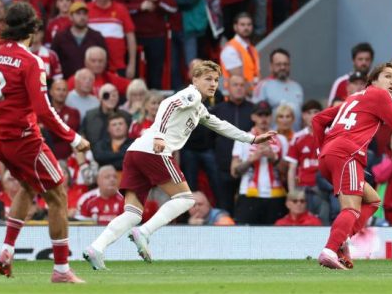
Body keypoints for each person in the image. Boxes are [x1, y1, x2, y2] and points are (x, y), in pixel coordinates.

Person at [83, 59, 276, 269]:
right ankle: (144, 232)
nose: (213, 84)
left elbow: (220, 125)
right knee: (185, 199)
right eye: (208, 79)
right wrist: (159, 135)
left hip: (135, 152)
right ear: (195, 79)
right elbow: (168, 104)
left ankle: (96, 248)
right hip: (154, 151)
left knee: (132, 213)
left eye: (216, 80)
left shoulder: (199, 107)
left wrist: (252, 139)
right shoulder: (191, 94)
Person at [0, 2, 91, 282]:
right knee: (58, 195)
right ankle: (61, 270)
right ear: (33, 29)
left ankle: (7, 249)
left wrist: (1, 122)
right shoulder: (32, 61)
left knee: (28, 186)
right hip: (24, 140)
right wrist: (73, 138)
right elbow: (43, 110)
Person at [313, 63, 392, 269]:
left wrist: (322, 150)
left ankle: (342, 240)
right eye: (387, 76)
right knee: (351, 209)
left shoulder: (354, 98)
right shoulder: (381, 95)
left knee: (373, 200)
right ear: (373, 80)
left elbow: (318, 120)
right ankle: (330, 249)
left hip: (329, 156)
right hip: (347, 154)